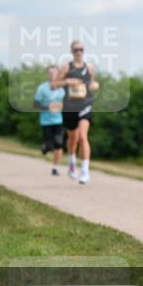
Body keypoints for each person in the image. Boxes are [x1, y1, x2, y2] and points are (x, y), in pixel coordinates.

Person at [52, 40, 99, 185]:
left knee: (83, 137)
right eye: (76, 50)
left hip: (85, 104)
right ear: (71, 52)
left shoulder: (89, 67)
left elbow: (93, 84)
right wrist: (67, 82)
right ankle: (72, 161)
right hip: (69, 107)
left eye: (81, 49)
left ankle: (85, 171)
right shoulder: (66, 68)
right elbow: (53, 85)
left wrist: (95, 85)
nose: (79, 52)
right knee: (73, 138)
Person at [34, 66, 66, 176]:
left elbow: (67, 104)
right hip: (46, 121)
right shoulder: (42, 88)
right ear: (47, 74)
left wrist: (63, 106)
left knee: (59, 143)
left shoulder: (62, 89)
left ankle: (55, 168)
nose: (53, 75)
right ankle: (45, 147)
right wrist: (48, 107)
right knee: (49, 146)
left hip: (58, 120)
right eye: (50, 73)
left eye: (55, 73)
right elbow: (36, 105)